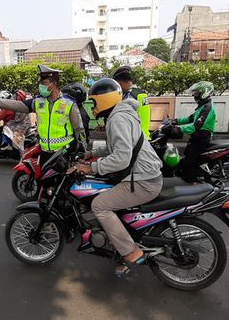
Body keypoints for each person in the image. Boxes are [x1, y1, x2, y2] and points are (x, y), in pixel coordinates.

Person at [70, 78, 163, 277]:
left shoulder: (118, 119)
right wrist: (92, 152)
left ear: (105, 99)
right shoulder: (122, 114)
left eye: (94, 102)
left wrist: (91, 167)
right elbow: (119, 147)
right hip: (143, 174)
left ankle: (131, 252)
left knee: (99, 205)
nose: (93, 106)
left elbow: (121, 157)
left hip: (142, 180)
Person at [0, 64, 86, 163]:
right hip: (44, 153)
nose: (41, 85)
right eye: (40, 82)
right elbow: (12, 105)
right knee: (44, 185)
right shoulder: (38, 102)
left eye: (44, 82)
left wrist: (82, 151)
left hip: (64, 154)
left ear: (54, 83)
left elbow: (79, 129)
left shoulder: (69, 103)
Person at [171, 81, 216, 184]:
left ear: (204, 92)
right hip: (197, 137)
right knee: (187, 158)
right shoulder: (202, 106)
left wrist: (179, 129)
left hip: (202, 139)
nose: (195, 95)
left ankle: (194, 183)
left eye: (197, 93)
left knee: (188, 162)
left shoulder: (207, 108)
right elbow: (190, 118)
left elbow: (197, 125)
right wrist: (175, 121)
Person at [111, 66, 151, 140]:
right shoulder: (140, 93)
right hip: (144, 137)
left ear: (119, 83)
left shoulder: (129, 96)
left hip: (135, 139)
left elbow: (123, 119)